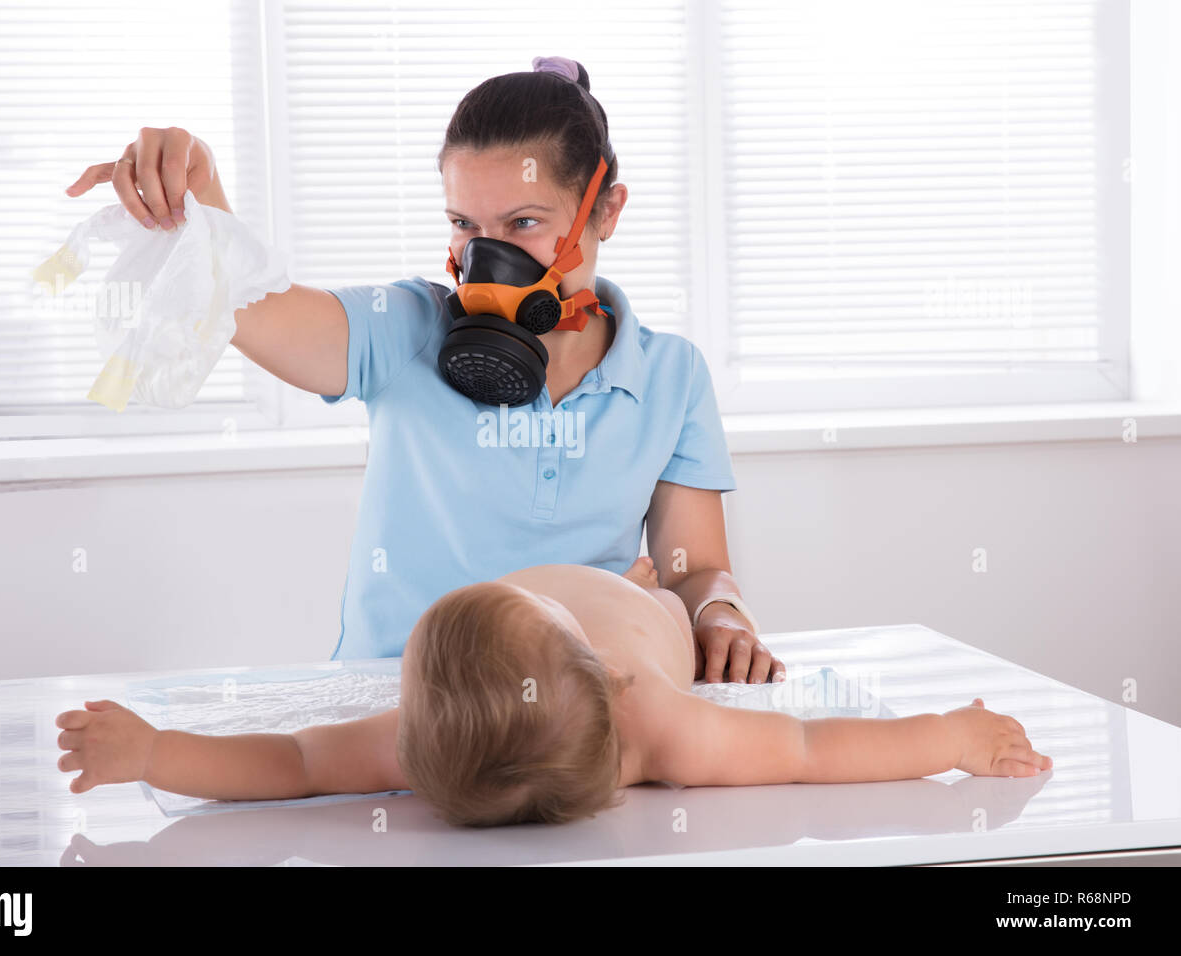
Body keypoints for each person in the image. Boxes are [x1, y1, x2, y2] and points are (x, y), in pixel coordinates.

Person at [65, 56, 782, 684]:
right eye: (465, 225)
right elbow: (258, 307)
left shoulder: (671, 377)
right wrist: (200, 187)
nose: (485, 260)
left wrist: (721, 614)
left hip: (564, 716)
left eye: (524, 224)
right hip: (391, 714)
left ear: (607, 211)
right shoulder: (405, 327)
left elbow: (689, 570)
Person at [55, 555, 1053, 827]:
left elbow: (290, 762)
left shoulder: (426, 736)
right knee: (651, 587)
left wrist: (156, 754)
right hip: (641, 607)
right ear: (606, 677)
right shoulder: (657, 717)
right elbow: (814, 752)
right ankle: (642, 590)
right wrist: (949, 734)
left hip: (606, 610)